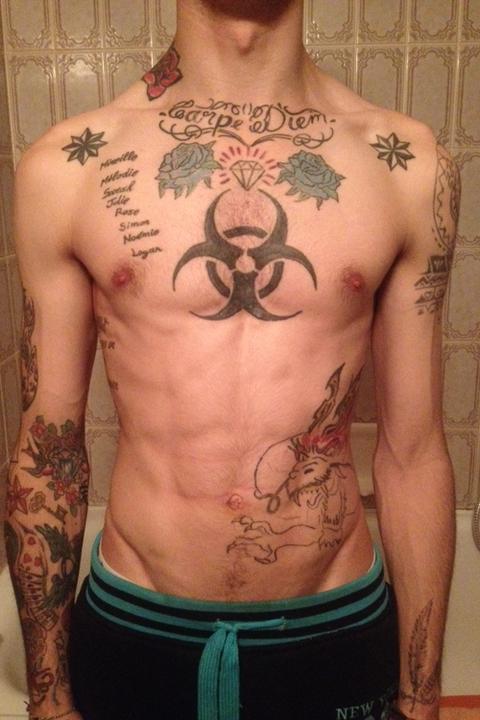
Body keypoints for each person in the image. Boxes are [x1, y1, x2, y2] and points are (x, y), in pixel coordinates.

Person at [5, 0, 460, 718]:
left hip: (334, 627)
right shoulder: (67, 167)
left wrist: (422, 699)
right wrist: (49, 699)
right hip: (135, 625)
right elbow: (48, 452)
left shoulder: (405, 164)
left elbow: (415, 452)